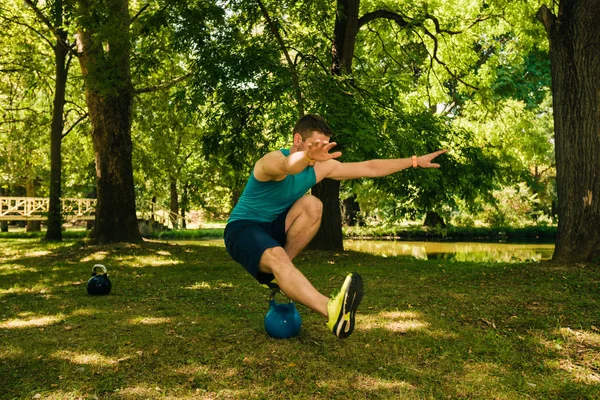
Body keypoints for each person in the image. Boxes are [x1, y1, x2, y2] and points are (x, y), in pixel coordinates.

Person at [224, 114, 447, 339]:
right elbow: (287, 166)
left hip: (276, 225)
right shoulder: (270, 160)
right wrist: (305, 156)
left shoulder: (321, 167)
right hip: (244, 229)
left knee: (312, 204)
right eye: (316, 146)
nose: (322, 153)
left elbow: (369, 167)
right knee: (276, 255)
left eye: (325, 147)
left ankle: (279, 276)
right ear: (298, 139)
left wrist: (414, 161)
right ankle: (332, 310)